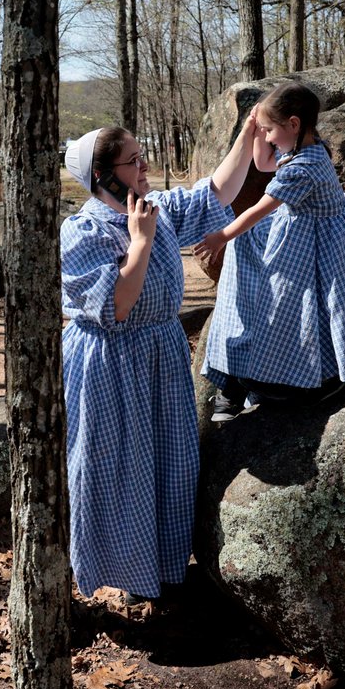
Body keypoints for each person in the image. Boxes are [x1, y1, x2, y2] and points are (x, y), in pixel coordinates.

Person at [61, 124, 250, 604]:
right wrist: (140, 243)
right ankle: (121, 574)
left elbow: (216, 191)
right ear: (104, 176)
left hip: (159, 357)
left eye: (143, 156)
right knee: (117, 467)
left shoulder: (154, 209)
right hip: (110, 364)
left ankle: (161, 571)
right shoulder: (83, 231)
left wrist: (248, 135)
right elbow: (117, 305)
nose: (145, 166)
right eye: (133, 160)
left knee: (167, 462)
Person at [195, 82, 345, 422]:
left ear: (293, 124)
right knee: (255, 275)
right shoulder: (305, 146)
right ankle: (248, 376)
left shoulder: (305, 167)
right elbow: (262, 163)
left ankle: (315, 379)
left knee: (308, 308)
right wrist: (253, 129)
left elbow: (260, 208)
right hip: (302, 232)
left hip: (320, 242)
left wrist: (221, 236)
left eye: (272, 130)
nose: (269, 138)